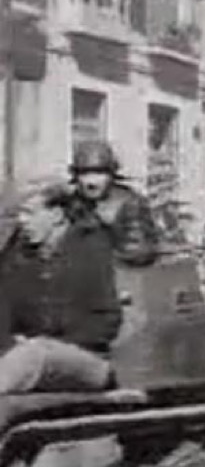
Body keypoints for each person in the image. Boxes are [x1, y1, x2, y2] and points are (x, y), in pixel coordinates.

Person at [0, 180, 122, 394]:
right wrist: (12, 343)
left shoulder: (91, 249)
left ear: (56, 215)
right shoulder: (16, 257)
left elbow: (106, 321)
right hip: (27, 355)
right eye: (20, 214)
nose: (22, 221)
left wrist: (51, 343)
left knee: (36, 354)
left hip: (87, 358)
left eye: (30, 213)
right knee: (31, 354)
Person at [67, 139, 159, 268]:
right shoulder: (74, 202)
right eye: (84, 173)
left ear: (112, 175)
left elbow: (139, 253)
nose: (91, 182)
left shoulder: (130, 204)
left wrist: (106, 231)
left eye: (99, 173)